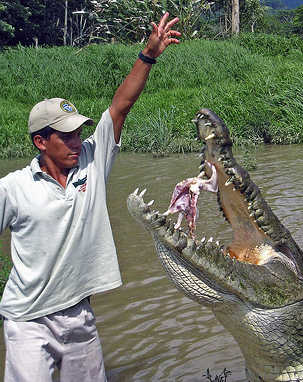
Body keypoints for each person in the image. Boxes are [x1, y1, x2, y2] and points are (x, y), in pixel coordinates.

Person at [0, 12, 181, 382]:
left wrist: (148, 55)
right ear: (40, 142)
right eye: (65, 136)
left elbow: (119, 107)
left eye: (78, 132)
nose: (75, 141)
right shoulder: (13, 188)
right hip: (28, 322)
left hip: (80, 315)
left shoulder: (92, 162)